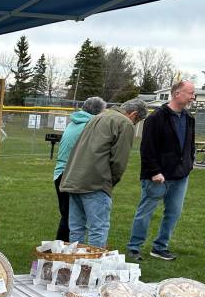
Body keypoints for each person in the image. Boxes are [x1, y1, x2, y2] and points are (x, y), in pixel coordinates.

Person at [59, 99, 148, 248]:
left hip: (73, 179)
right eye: (137, 121)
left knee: (76, 228)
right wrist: (109, 182)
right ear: (133, 114)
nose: (135, 124)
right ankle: (93, 266)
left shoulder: (99, 116)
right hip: (95, 182)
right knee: (98, 229)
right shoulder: (124, 123)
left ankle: (75, 264)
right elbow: (119, 161)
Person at [126, 80, 196, 261]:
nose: (192, 97)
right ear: (177, 94)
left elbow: (190, 144)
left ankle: (160, 247)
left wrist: (189, 163)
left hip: (180, 176)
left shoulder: (189, 119)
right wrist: (155, 171)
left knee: (173, 213)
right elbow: (147, 148)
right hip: (157, 177)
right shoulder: (156, 118)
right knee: (145, 212)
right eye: (190, 93)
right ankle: (134, 247)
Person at [52, 96, 106, 241]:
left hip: (60, 174)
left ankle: (62, 249)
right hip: (71, 175)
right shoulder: (90, 126)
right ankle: (63, 251)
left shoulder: (73, 122)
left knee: (68, 216)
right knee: (72, 218)